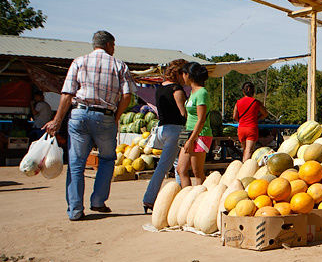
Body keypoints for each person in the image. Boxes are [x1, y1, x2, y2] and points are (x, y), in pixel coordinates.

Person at [44, 31, 135, 221]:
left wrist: (57, 120)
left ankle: (75, 210)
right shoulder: (119, 65)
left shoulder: (79, 62)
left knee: (76, 163)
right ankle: (98, 201)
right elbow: (127, 95)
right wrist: (116, 117)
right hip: (105, 117)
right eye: (114, 45)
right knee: (108, 159)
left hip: (79, 114)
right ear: (109, 45)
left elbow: (67, 94)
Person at [141, 59, 187, 212]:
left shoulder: (159, 88)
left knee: (176, 164)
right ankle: (149, 199)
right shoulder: (177, 89)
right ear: (179, 74)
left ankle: (180, 195)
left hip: (162, 129)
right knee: (167, 166)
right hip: (176, 130)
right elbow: (183, 114)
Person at [176, 62, 212, 188]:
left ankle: (200, 197)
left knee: (197, 172)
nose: (182, 77)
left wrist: (191, 140)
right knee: (181, 169)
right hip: (189, 133)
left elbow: (201, 119)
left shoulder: (202, 93)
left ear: (188, 75)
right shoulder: (192, 93)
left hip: (200, 135)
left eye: (183, 74)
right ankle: (187, 197)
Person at [232, 81, 268, 161]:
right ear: (253, 91)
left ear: (243, 91)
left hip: (241, 128)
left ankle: (243, 166)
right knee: (249, 151)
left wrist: (241, 120)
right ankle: (245, 169)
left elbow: (234, 116)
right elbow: (265, 114)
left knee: (244, 150)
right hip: (251, 128)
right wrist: (257, 118)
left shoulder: (238, 102)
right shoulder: (256, 102)